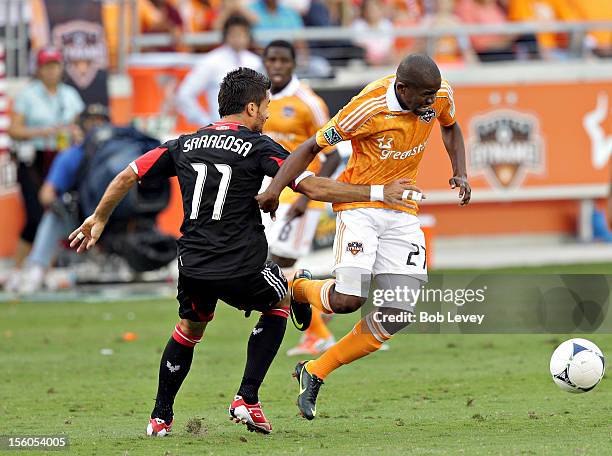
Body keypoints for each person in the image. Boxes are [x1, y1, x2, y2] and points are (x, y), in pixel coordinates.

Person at [68, 68, 420, 436]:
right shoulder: (259, 146)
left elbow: (127, 174)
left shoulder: (184, 143)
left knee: (189, 329)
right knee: (280, 299)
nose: (268, 114)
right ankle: (246, 398)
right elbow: (312, 186)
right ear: (251, 107)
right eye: (266, 106)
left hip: (193, 263)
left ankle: (159, 418)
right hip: (241, 264)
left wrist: (98, 217)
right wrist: (377, 194)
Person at [256, 54, 471, 420]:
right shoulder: (366, 108)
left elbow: (450, 126)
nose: (430, 103)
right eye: (423, 97)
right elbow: (310, 148)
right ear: (402, 89)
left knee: (398, 312)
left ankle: (314, 371)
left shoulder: (439, 94)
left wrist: (460, 172)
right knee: (347, 301)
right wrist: (276, 188)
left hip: (402, 208)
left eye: (434, 95)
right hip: (361, 204)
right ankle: (300, 289)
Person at [262, 40, 340, 356]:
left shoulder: (309, 102)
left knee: (275, 268)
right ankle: (322, 305)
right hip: (272, 197)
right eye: (271, 60)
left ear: (294, 64)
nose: (277, 66)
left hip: (299, 200)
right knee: (275, 268)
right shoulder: (261, 100)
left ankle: (319, 330)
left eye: (283, 60)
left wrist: (305, 200)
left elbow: (333, 157)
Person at [6, 47, 84, 292]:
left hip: (61, 158)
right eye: (47, 66)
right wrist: (41, 132)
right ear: (39, 69)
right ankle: (19, 269)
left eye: (55, 66)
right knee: (36, 214)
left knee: (57, 212)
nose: (52, 71)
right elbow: (13, 130)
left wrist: (73, 133)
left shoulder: (69, 95)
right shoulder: (28, 95)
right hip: (34, 158)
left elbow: (79, 128)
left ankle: (43, 269)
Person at [14, 105, 111, 294]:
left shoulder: (120, 152)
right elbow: (46, 194)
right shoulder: (72, 155)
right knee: (56, 213)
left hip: (115, 218)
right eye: (91, 123)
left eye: (100, 123)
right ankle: (37, 268)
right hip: (84, 219)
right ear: (82, 126)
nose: (96, 128)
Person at [176, 15, 263, 127]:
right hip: (220, 131)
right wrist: (206, 123)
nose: (238, 39)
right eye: (234, 34)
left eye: (242, 34)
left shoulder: (256, 62)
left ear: (249, 36)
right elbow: (185, 94)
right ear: (225, 36)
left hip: (250, 132)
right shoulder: (211, 61)